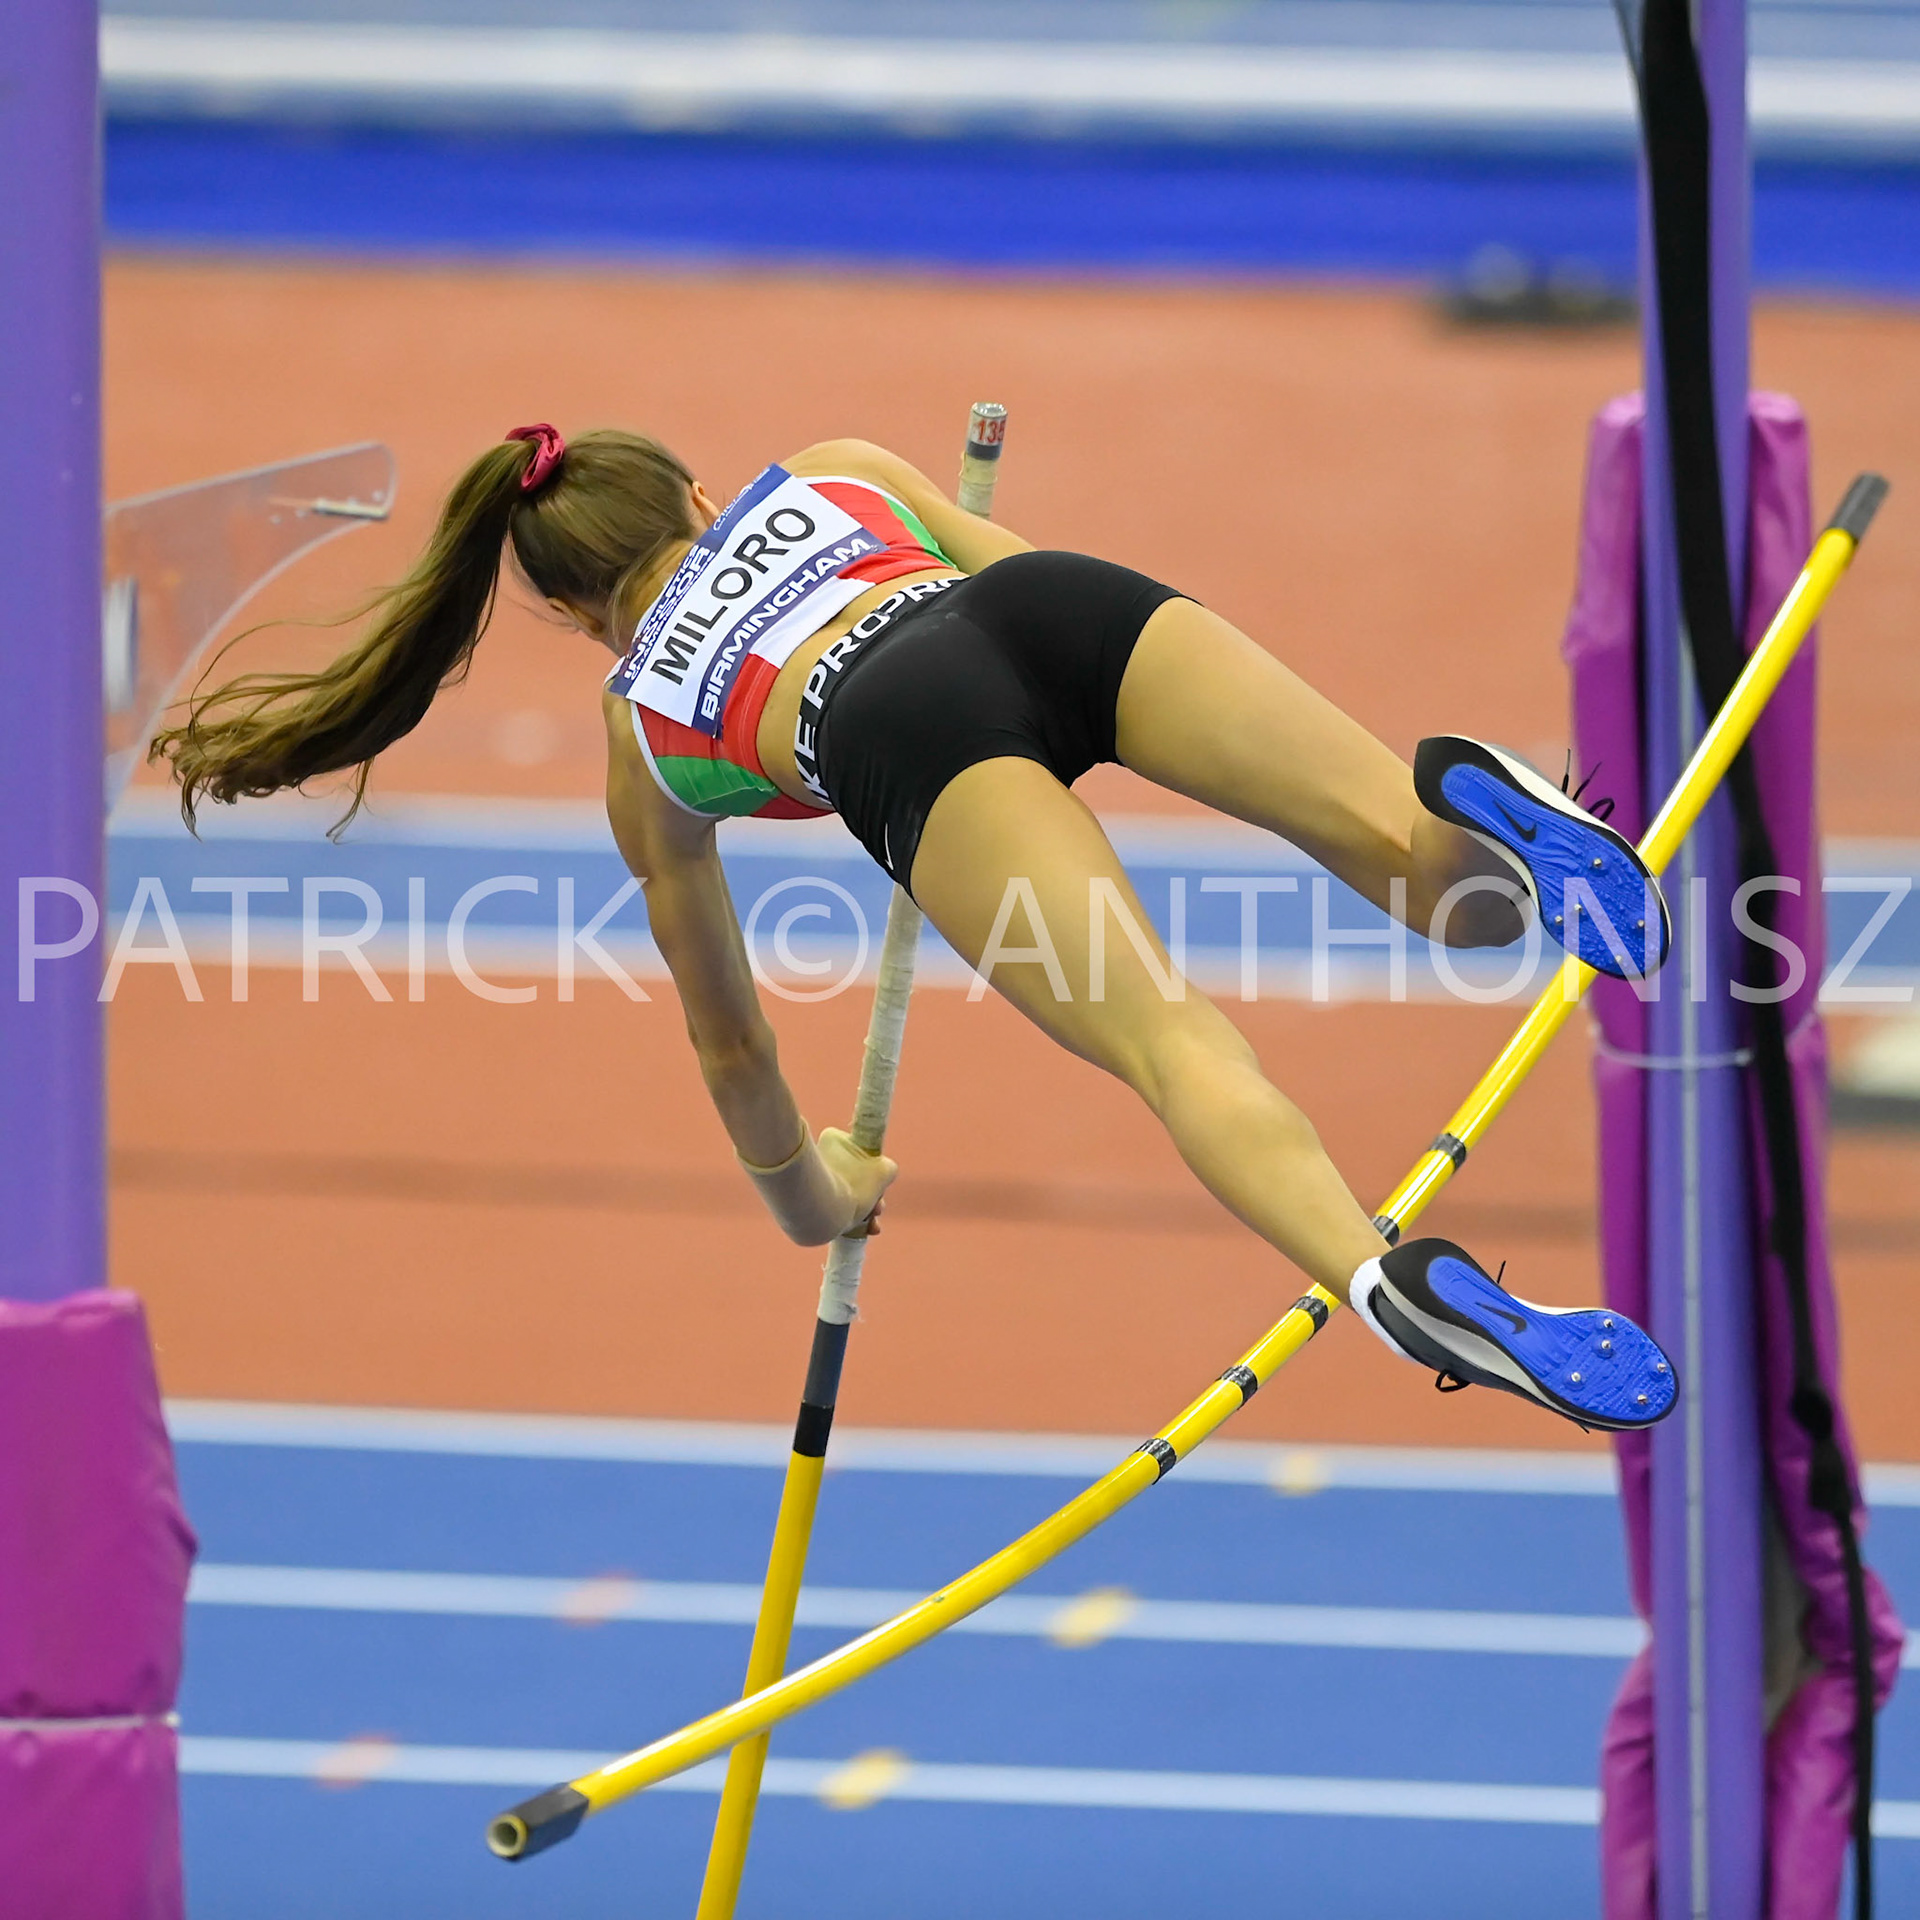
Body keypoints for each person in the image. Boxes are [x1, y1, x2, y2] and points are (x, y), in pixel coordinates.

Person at [154, 423, 1677, 1433]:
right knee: (1437, 893)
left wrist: (812, 1199)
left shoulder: (648, 730)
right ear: (696, 495)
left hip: (897, 731)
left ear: (569, 613)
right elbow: (998, 571)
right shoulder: (829, 464)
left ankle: (1379, 1278)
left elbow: (730, 1035)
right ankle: (1487, 811)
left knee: (1172, 1042)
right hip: (1057, 613)